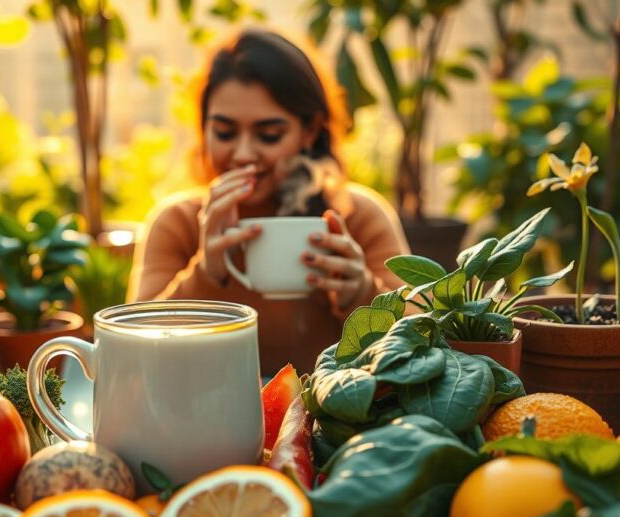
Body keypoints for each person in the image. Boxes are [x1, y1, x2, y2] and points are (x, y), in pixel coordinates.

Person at [128, 28, 410, 375]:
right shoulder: (180, 223)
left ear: (309, 131)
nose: (244, 154)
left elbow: (424, 342)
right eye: (225, 133)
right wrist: (206, 273)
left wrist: (363, 295)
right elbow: (129, 354)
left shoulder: (357, 216)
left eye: (269, 135)